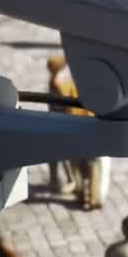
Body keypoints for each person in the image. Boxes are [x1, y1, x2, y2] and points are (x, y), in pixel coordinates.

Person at [46, 56, 79, 194]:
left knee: (61, 155)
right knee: (55, 155)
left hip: (62, 122)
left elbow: (67, 106)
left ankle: (71, 181)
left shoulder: (60, 83)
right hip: (57, 121)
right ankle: (56, 180)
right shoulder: (57, 81)